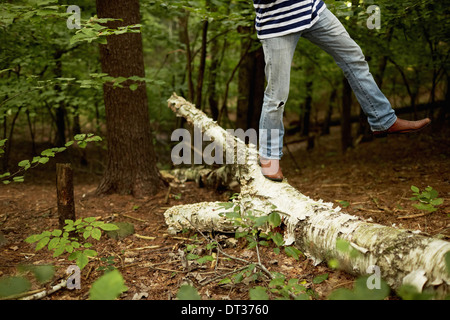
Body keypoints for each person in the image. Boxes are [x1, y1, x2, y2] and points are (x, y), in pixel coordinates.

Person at [253, 0, 431, 182]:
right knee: (277, 95)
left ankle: (383, 119)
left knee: (354, 58)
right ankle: (269, 154)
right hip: (277, 23)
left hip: (311, 10)